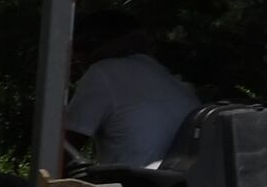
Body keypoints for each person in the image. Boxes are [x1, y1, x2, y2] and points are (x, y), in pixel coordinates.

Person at [64, 16, 199, 171]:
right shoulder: (165, 76)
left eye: (80, 50)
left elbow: (62, 151)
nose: (78, 59)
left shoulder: (102, 73)